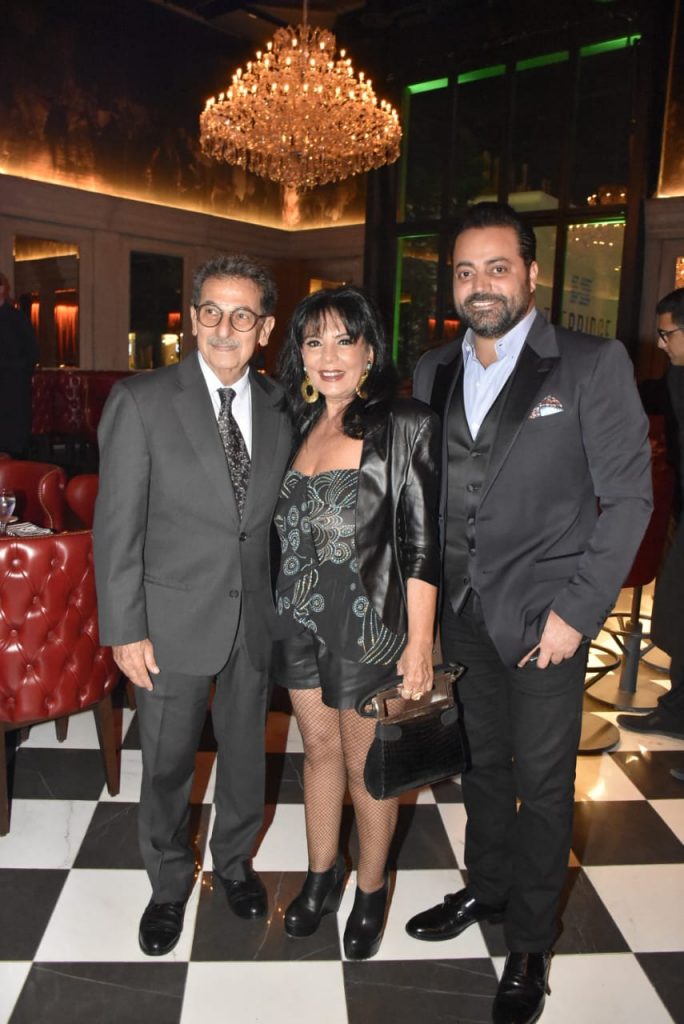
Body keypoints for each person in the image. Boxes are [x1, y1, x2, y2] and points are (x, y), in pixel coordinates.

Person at [405, 202, 653, 1024]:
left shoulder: (590, 363)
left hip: (548, 621)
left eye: (497, 267)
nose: (480, 285)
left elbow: (628, 500)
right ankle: (487, 888)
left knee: (544, 785)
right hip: (461, 613)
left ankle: (531, 943)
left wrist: (576, 613)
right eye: (465, 271)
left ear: (532, 274)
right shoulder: (431, 370)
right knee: (481, 767)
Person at [93, 254, 293, 956]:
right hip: (168, 624)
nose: (224, 328)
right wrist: (125, 630)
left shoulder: (281, 406)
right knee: (168, 763)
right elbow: (116, 528)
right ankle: (169, 883)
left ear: (264, 328)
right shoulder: (141, 401)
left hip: (253, 619)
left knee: (244, 755)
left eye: (242, 315)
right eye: (211, 311)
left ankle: (234, 863)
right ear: (192, 320)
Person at [272, 285, 441, 960]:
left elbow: (422, 543)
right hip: (297, 617)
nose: (329, 355)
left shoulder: (404, 424)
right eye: (314, 342)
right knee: (316, 750)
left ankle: (370, 886)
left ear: (371, 351)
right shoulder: (297, 422)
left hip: (369, 624)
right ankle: (322, 874)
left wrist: (420, 644)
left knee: (367, 763)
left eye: (345, 340)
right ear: (300, 355)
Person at [618, 287, 684, 747]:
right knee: (674, 616)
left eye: (667, 334)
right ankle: (676, 711)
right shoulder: (674, 378)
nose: (661, 344)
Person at [0, 271, 39, 458]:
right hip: (11, 383)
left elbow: (31, 355)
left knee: (11, 444)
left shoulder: (17, 319)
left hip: (12, 389)